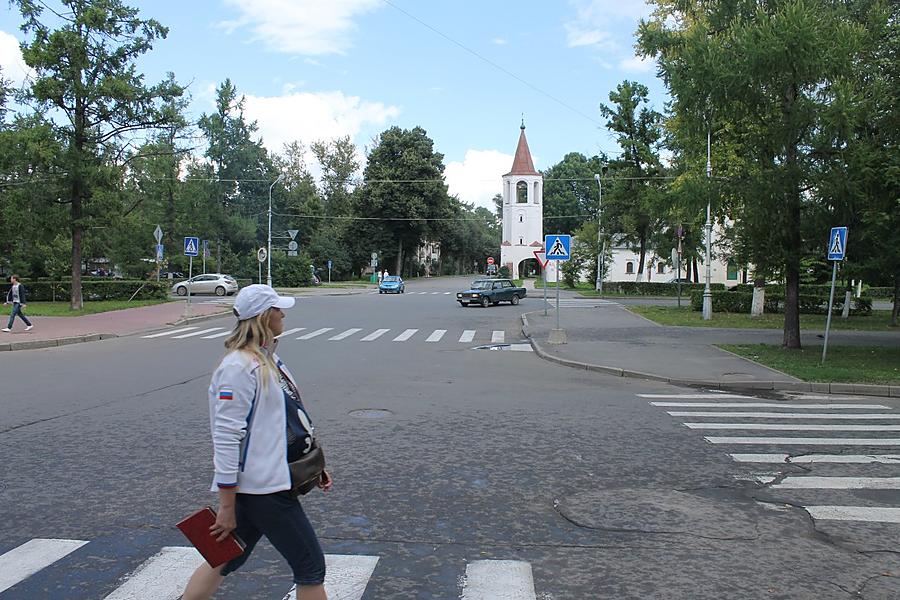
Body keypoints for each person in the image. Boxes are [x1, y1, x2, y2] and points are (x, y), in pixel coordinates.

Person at [182, 284, 333, 600]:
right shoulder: (237, 367)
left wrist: (312, 464)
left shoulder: (267, 360)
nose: (284, 313)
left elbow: (287, 419)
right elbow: (226, 439)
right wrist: (226, 506)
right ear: (265, 315)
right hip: (263, 489)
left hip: (268, 482)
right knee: (310, 567)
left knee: (224, 557)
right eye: (278, 308)